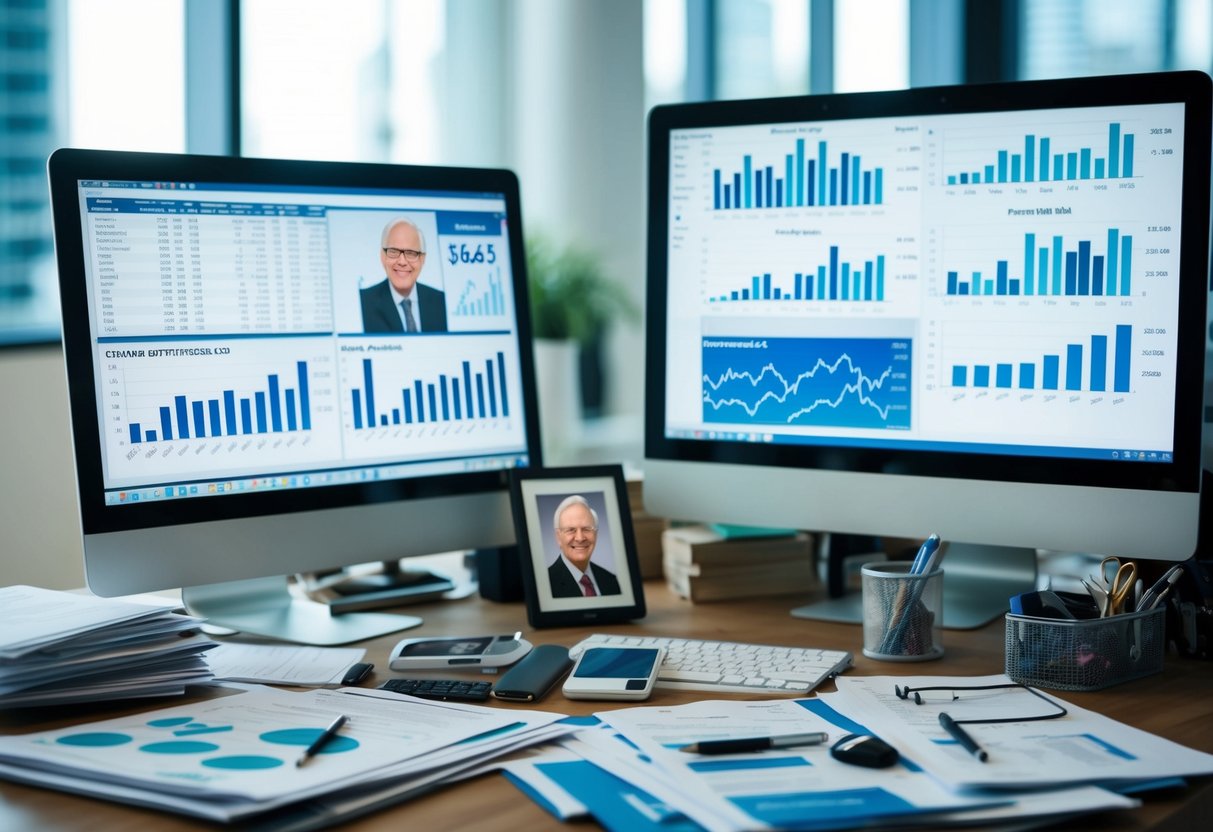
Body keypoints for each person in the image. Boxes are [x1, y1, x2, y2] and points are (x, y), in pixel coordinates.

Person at [360, 218, 448, 333]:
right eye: (394, 251)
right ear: (383, 256)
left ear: (422, 259)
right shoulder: (362, 304)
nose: (402, 262)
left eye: (411, 253)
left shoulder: (442, 303)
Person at [547, 495, 621, 598]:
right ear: (558, 538)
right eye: (571, 530)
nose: (580, 538)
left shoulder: (611, 580)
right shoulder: (545, 584)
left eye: (587, 529)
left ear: (596, 534)